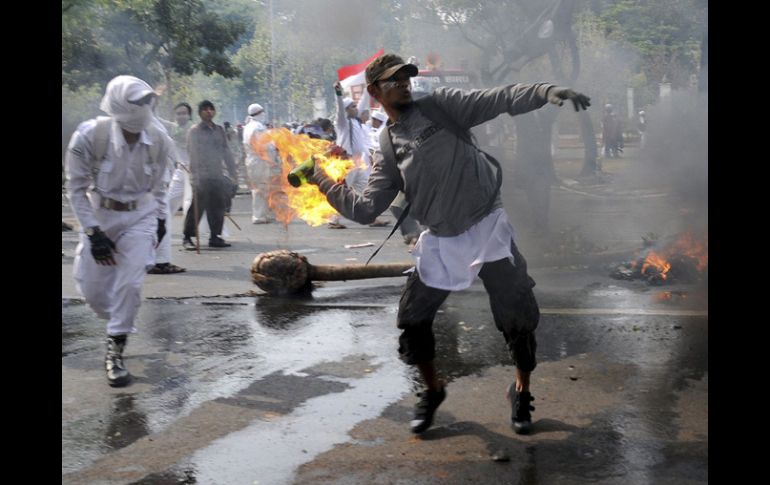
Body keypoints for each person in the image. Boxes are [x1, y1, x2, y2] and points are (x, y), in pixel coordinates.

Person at [306, 53, 590, 434]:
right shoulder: (388, 147)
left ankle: (520, 390)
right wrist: (321, 180)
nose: (404, 84)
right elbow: (364, 208)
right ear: (374, 92)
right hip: (442, 242)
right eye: (393, 81)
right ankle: (433, 389)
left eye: (406, 77)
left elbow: (500, 98)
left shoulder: (441, 108)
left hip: (487, 228)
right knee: (412, 319)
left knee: (518, 317)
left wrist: (545, 91)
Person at [65, 75, 174, 387]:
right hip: (99, 211)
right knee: (93, 290)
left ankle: (116, 348)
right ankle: (117, 319)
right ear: (117, 104)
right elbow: (75, 188)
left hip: (140, 215)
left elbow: (161, 188)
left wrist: (161, 221)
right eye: (137, 102)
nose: (144, 107)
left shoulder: (160, 138)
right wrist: (93, 232)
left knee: (130, 282)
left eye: (147, 101)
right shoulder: (89, 136)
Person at [182, 100, 238, 249]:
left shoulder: (219, 130)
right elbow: (192, 154)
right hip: (201, 175)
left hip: (216, 174)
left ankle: (215, 237)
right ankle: (188, 237)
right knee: (197, 208)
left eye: (211, 109)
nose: (208, 111)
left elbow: (226, 152)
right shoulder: (195, 131)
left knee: (218, 207)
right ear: (200, 113)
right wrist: (194, 176)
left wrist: (233, 172)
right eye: (205, 109)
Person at [148, 102, 193, 274]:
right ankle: (159, 261)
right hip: (152, 183)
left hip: (166, 176)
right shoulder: (151, 125)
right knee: (161, 216)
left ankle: (156, 260)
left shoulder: (149, 123)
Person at [242, 103, 276, 224]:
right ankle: (259, 216)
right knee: (260, 188)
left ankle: (263, 214)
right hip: (259, 160)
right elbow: (262, 146)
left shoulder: (249, 126)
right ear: (259, 113)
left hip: (253, 160)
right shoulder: (257, 127)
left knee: (261, 187)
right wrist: (271, 157)